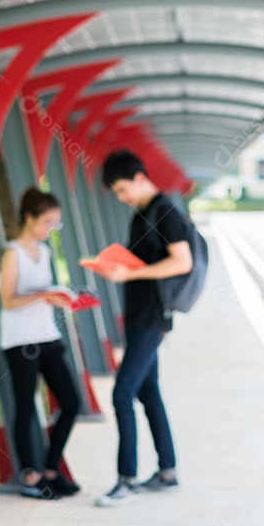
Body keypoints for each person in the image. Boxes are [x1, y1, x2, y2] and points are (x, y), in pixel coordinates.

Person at [94, 150, 193, 507]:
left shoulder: (163, 211)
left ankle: (127, 479)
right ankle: (167, 472)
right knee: (148, 393)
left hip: (151, 319)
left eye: (122, 189)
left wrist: (130, 273)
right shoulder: (144, 212)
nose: (122, 198)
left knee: (122, 394)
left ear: (139, 177)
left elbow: (182, 261)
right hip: (140, 316)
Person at [0, 187, 81, 500]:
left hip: (47, 335)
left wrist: (58, 298)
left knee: (71, 403)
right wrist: (44, 295)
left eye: (56, 223)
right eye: (48, 222)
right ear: (30, 218)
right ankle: (30, 477)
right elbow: (8, 301)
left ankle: (49, 469)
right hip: (20, 340)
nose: (51, 229)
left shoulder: (45, 253)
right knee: (26, 408)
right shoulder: (12, 252)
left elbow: (43, 291)